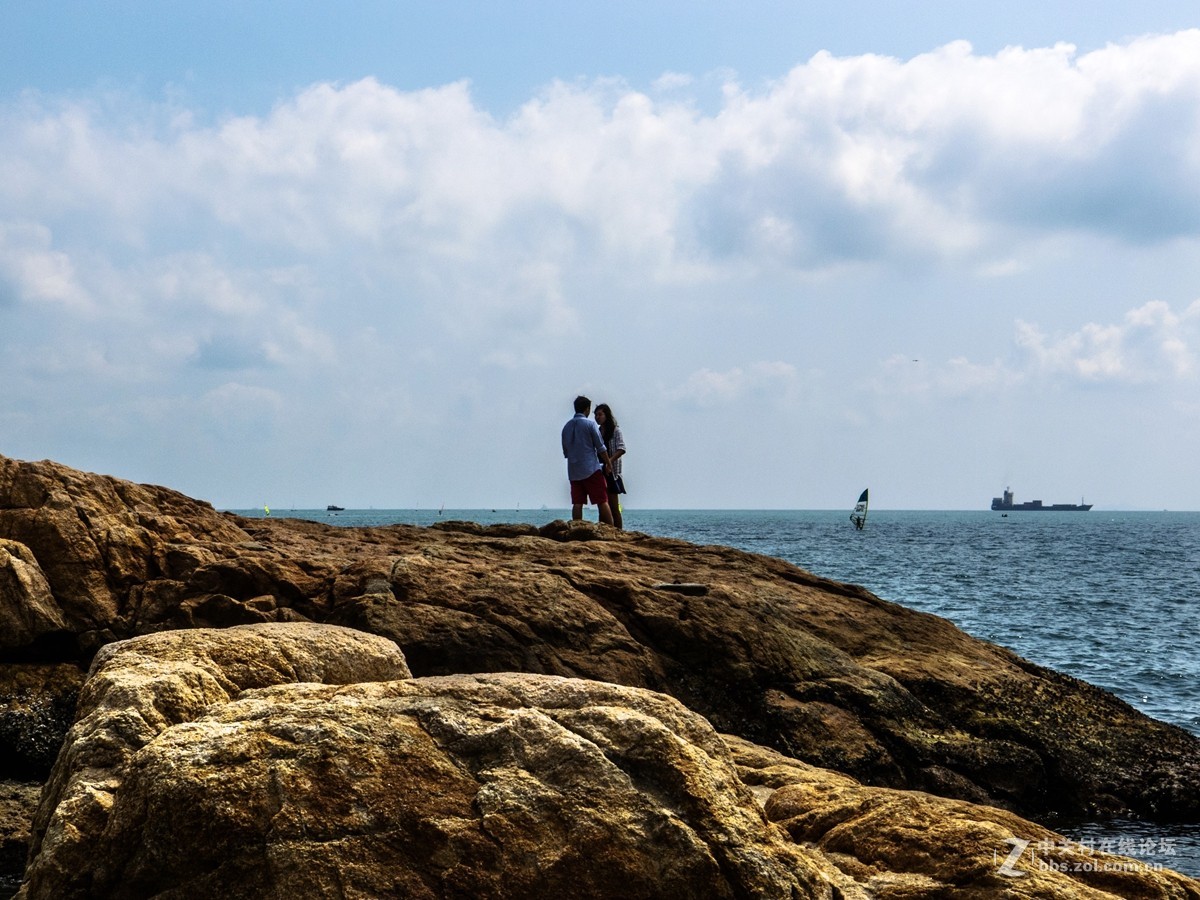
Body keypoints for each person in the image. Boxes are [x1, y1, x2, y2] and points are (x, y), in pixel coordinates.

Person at [561, 395, 613, 525]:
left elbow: (566, 452)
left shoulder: (566, 427)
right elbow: (600, 447)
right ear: (587, 409)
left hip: (573, 470)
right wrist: (608, 462)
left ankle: (576, 530)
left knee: (577, 503)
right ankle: (612, 531)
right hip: (591, 469)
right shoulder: (590, 425)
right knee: (602, 500)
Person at [594, 403, 626, 529]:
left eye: (600, 414)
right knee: (602, 504)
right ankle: (604, 530)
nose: (597, 417)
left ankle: (618, 532)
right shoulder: (597, 432)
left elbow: (622, 448)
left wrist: (609, 462)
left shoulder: (615, 430)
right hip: (599, 470)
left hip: (612, 472)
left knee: (614, 506)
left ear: (606, 415)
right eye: (596, 415)